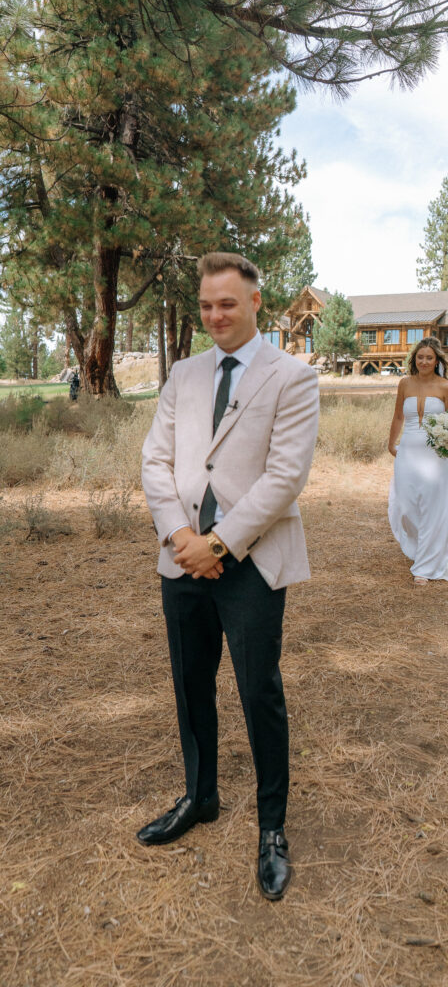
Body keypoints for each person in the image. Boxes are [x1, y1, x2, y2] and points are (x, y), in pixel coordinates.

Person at [139, 251, 319, 901]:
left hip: (251, 562)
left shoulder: (293, 377)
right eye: (208, 304)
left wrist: (220, 542)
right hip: (181, 558)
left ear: (255, 304)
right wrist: (184, 538)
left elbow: (284, 477)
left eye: (228, 304)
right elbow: (155, 461)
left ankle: (272, 827)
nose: (216, 315)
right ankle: (200, 796)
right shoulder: (183, 375)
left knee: (258, 694)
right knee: (191, 688)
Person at [387, 336, 448, 586]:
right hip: (408, 452)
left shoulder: (446, 387)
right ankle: (419, 544)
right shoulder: (405, 383)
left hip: (436, 455)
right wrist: (391, 443)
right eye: (420, 357)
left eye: (429, 358)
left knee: (433, 505)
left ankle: (426, 564)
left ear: (436, 361)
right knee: (407, 504)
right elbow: (399, 416)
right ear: (414, 359)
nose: (424, 361)